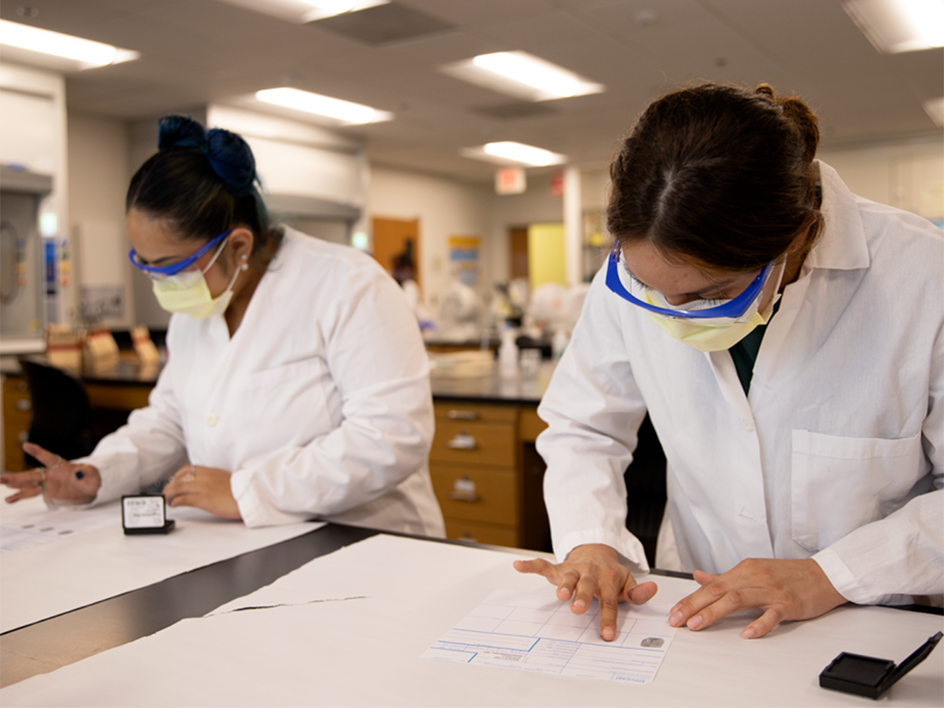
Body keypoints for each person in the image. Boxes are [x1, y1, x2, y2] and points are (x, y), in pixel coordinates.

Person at [515, 83, 944, 641]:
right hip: (692, 606)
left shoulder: (924, 278)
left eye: (710, 294)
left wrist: (831, 575)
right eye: (649, 286)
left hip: (868, 619)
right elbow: (581, 426)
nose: (672, 312)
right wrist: (591, 537)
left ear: (799, 236)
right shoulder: (629, 277)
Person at [1, 115, 444, 536]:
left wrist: (245, 490)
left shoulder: (345, 284)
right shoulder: (198, 310)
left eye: (171, 267)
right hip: (243, 542)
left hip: (367, 542)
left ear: (238, 244)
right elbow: (171, 421)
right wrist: (97, 472)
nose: (161, 282)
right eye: (147, 265)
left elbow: (390, 437)